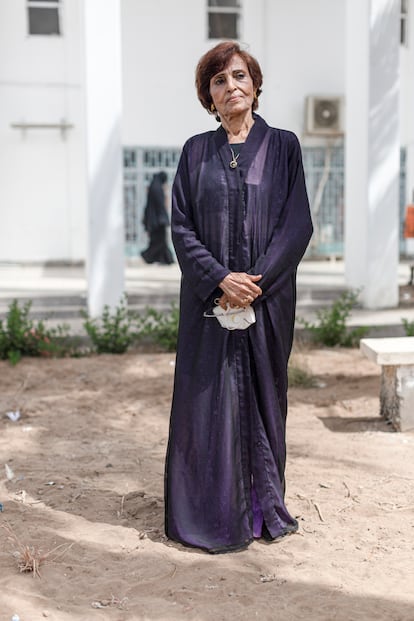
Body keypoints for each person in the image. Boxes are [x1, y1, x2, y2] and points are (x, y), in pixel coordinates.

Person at [164, 41, 313, 553]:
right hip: (209, 303)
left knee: (265, 397)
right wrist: (220, 279)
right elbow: (181, 226)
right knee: (206, 401)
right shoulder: (195, 152)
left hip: (267, 303)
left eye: (239, 76)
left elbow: (297, 224)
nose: (232, 87)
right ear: (209, 96)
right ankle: (209, 512)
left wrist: (255, 283)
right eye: (219, 81)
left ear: (255, 84)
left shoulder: (284, 146)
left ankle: (262, 509)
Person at [141, 171, 174, 265]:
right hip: (158, 221)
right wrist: (164, 219)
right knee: (160, 241)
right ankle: (146, 255)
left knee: (159, 241)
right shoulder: (157, 188)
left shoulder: (154, 186)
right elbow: (160, 206)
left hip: (155, 221)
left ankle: (165, 259)